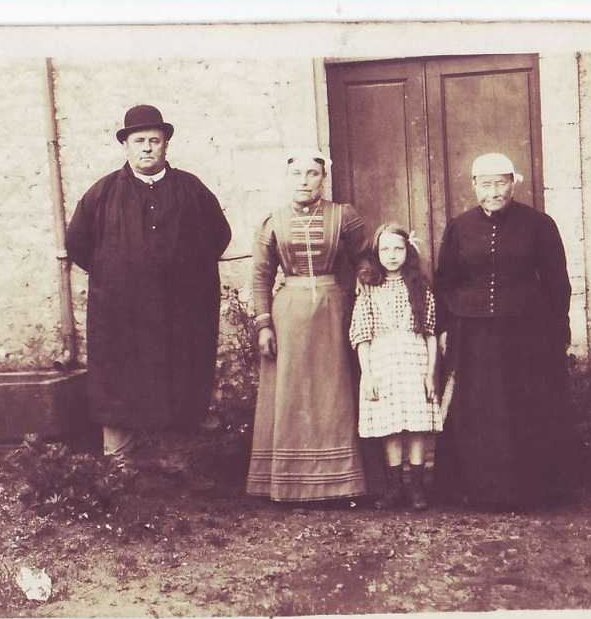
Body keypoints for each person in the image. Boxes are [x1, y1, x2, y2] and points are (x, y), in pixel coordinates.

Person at [65, 104, 231, 462]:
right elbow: (78, 243)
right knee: (119, 380)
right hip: (121, 313)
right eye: (138, 140)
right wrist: (118, 276)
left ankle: (176, 463)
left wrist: (185, 276)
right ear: (125, 146)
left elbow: (218, 235)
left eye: (154, 140)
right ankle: (119, 462)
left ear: (166, 144)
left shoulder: (191, 190)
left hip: (179, 311)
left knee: (180, 376)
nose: (146, 148)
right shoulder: (103, 194)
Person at [434, 152, 574, 509]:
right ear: (474, 186)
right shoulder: (459, 227)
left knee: (524, 408)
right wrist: (447, 326)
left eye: (501, 183)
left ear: (513, 183)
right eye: (486, 184)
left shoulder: (540, 225)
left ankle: (531, 492)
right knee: (479, 410)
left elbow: (558, 283)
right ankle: (480, 491)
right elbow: (446, 281)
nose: (494, 191)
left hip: (526, 334)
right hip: (475, 335)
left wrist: (559, 328)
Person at [245, 149, 369, 503]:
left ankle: (342, 483)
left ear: (323, 179)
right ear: (288, 179)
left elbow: (364, 255)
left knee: (335, 390)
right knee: (291, 391)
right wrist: (264, 324)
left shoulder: (343, 215)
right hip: (289, 315)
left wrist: (363, 274)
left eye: (312, 174)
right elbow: (260, 276)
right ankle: (289, 482)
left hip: (333, 309)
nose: (304, 181)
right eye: (297, 174)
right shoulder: (274, 221)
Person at [349, 223, 441, 511]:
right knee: (390, 427)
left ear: (407, 252)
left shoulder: (419, 287)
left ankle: (416, 487)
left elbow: (430, 332)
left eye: (398, 249)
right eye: (385, 249)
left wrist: (430, 374)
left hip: (414, 361)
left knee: (415, 425)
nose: (392, 255)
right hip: (383, 362)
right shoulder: (368, 289)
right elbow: (362, 336)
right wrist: (368, 374)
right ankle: (393, 487)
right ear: (376, 253)